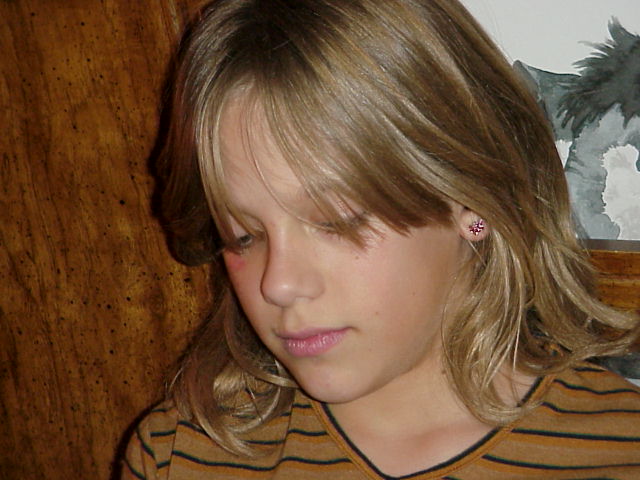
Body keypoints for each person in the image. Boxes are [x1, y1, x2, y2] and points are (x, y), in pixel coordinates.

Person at [122, 0, 640, 478]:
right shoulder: (178, 454)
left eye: (336, 222)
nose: (278, 284)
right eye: (243, 236)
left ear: (473, 204)